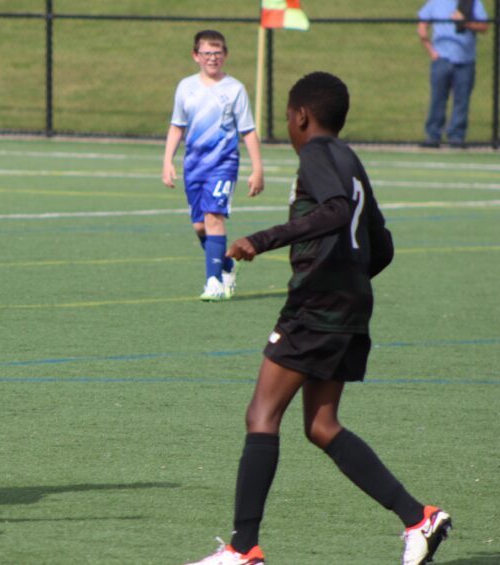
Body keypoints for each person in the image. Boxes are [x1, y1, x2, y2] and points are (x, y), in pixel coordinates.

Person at [183, 72, 450, 565]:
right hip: (350, 303)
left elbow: (333, 210)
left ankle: (243, 549)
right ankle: (419, 518)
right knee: (322, 424)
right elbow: (382, 242)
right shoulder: (350, 159)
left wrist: (262, 240)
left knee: (261, 415)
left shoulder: (316, 156)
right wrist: (353, 277)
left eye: (287, 116)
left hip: (317, 304)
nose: (287, 124)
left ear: (301, 116)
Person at [163, 29, 264, 302]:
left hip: (223, 165)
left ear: (225, 55)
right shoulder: (186, 87)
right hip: (193, 166)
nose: (212, 58)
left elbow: (248, 131)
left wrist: (257, 169)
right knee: (199, 226)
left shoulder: (235, 89)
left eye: (217, 53)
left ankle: (214, 282)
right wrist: (167, 161)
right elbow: (177, 126)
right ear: (196, 55)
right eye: (206, 53)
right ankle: (227, 265)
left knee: (213, 217)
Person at [417, 0, 490, 148]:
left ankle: (456, 137)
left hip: (465, 60)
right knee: (438, 99)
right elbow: (422, 27)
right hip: (441, 59)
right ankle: (433, 136)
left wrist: (465, 22)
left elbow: (484, 26)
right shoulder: (436, 2)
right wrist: (432, 52)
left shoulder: (472, 2)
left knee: (461, 101)